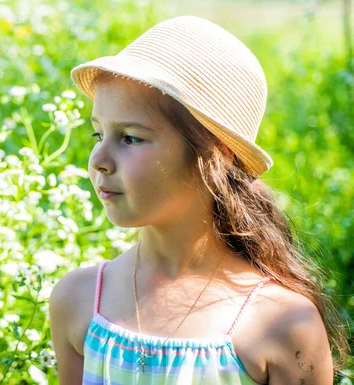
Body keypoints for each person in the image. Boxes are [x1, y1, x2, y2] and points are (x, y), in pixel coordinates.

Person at [48, 15, 348, 385]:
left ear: (216, 156)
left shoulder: (282, 324)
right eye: (98, 135)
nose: (98, 160)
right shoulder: (78, 302)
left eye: (130, 137)